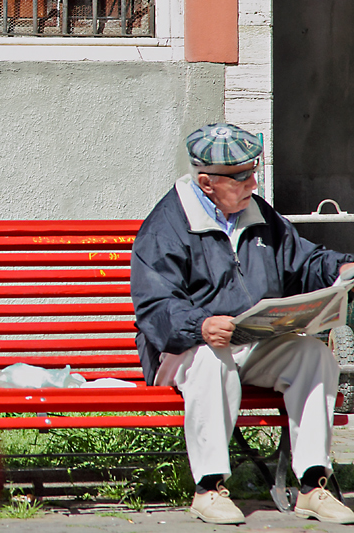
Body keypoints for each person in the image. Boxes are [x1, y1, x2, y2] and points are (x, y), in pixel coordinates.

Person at [131, 123, 354, 525]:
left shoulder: (258, 213)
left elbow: (301, 261)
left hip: (252, 343)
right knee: (212, 358)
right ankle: (208, 489)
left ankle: (312, 486)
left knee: (313, 356)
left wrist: (340, 267)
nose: (253, 182)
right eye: (242, 177)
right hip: (183, 351)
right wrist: (200, 326)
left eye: (253, 171)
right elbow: (154, 307)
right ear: (206, 182)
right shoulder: (166, 225)